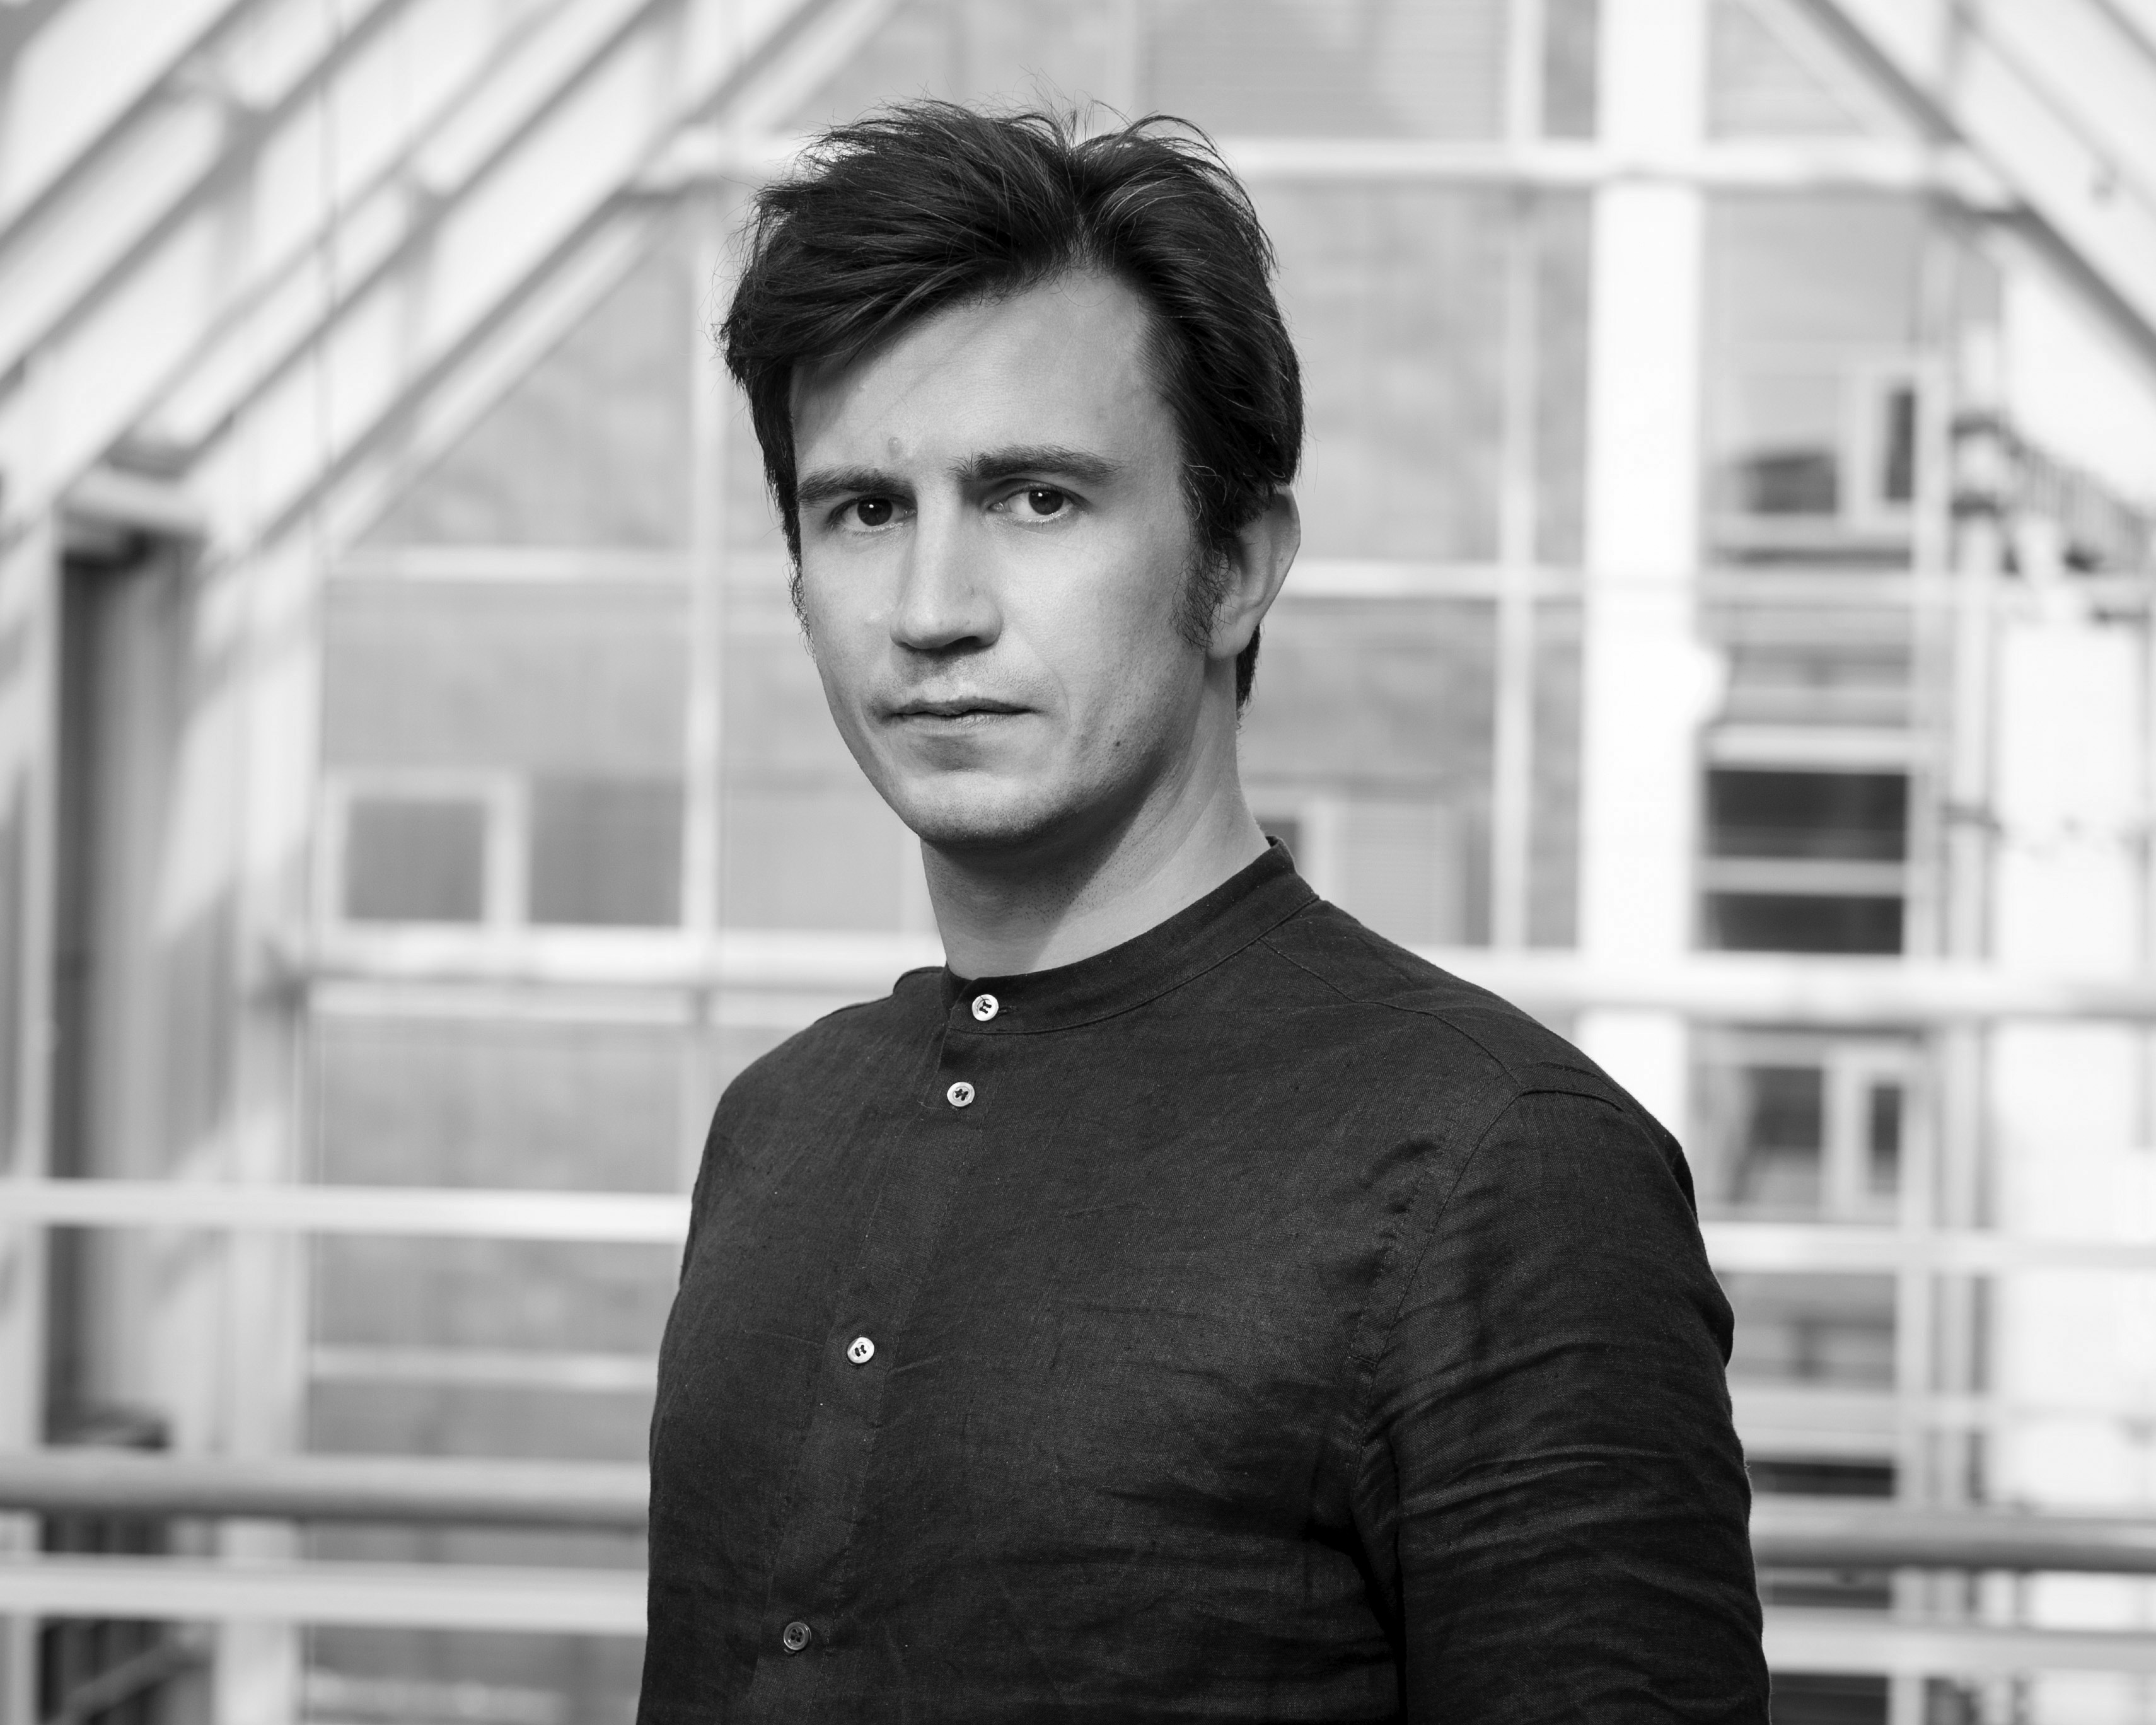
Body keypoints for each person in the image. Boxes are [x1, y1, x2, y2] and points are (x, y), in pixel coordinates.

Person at [639, 102, 1767, 1722]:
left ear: (1235, 565)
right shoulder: (780, 1123)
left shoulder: (1498, 1165)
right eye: (865, 510)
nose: (933, 610)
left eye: (1036, 498)